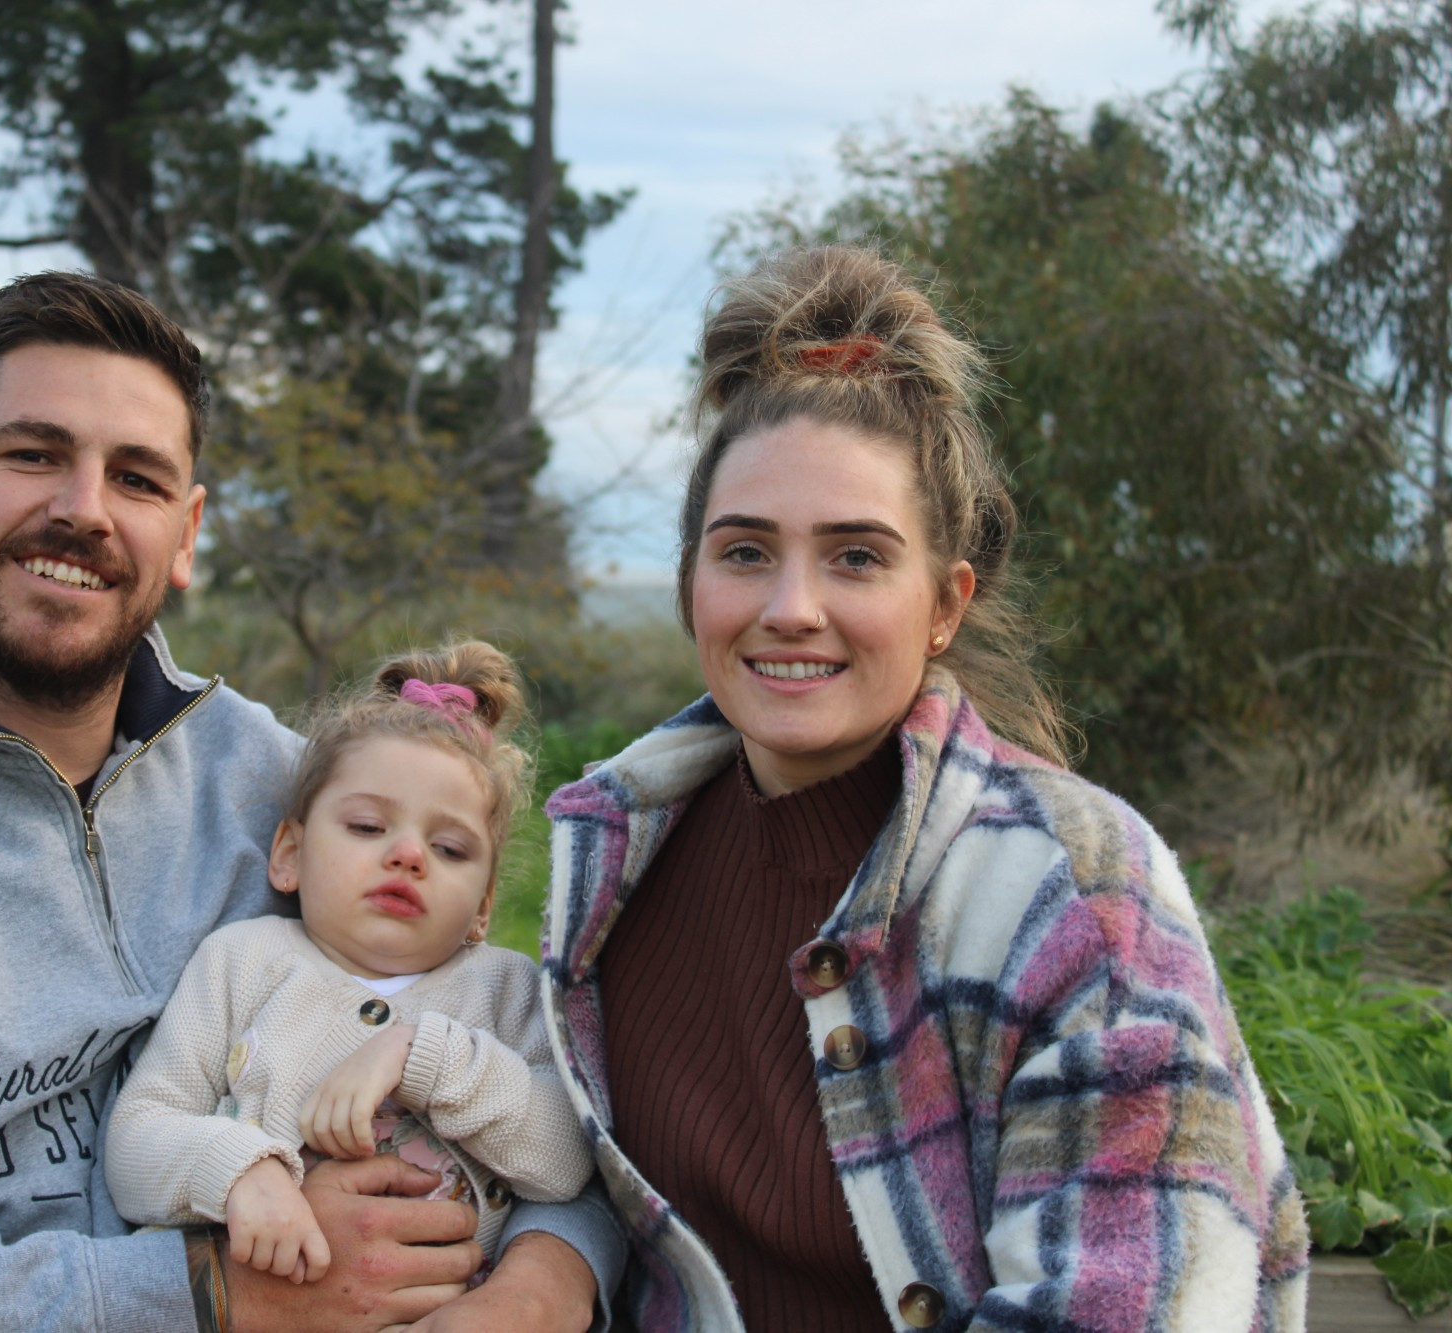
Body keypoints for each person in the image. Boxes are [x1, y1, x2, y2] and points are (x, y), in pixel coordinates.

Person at [0, 271, 620, 1331]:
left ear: (187, 535)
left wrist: (544, 1282)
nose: (82, 510)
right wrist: (208, 1295)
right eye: (32, 454)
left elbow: (551, 1103)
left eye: (138, 479)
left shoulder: (273, 780)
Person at [539, 246, 1310, 1332]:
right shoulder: (615, 857)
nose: (791, 607)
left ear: (943, 603)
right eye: (745, 551)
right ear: (689, 582)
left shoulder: (1079, 897)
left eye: (854, 557)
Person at [106, 641, 593, 1289]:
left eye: (449, 848)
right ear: (289, 852)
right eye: (367, 826)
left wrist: (421, 1053)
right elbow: (137, 1135)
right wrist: (240, 1171)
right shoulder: (242, 961)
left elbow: (567, 1160)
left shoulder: (505, 989)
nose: (409, 853)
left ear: (483, 905)